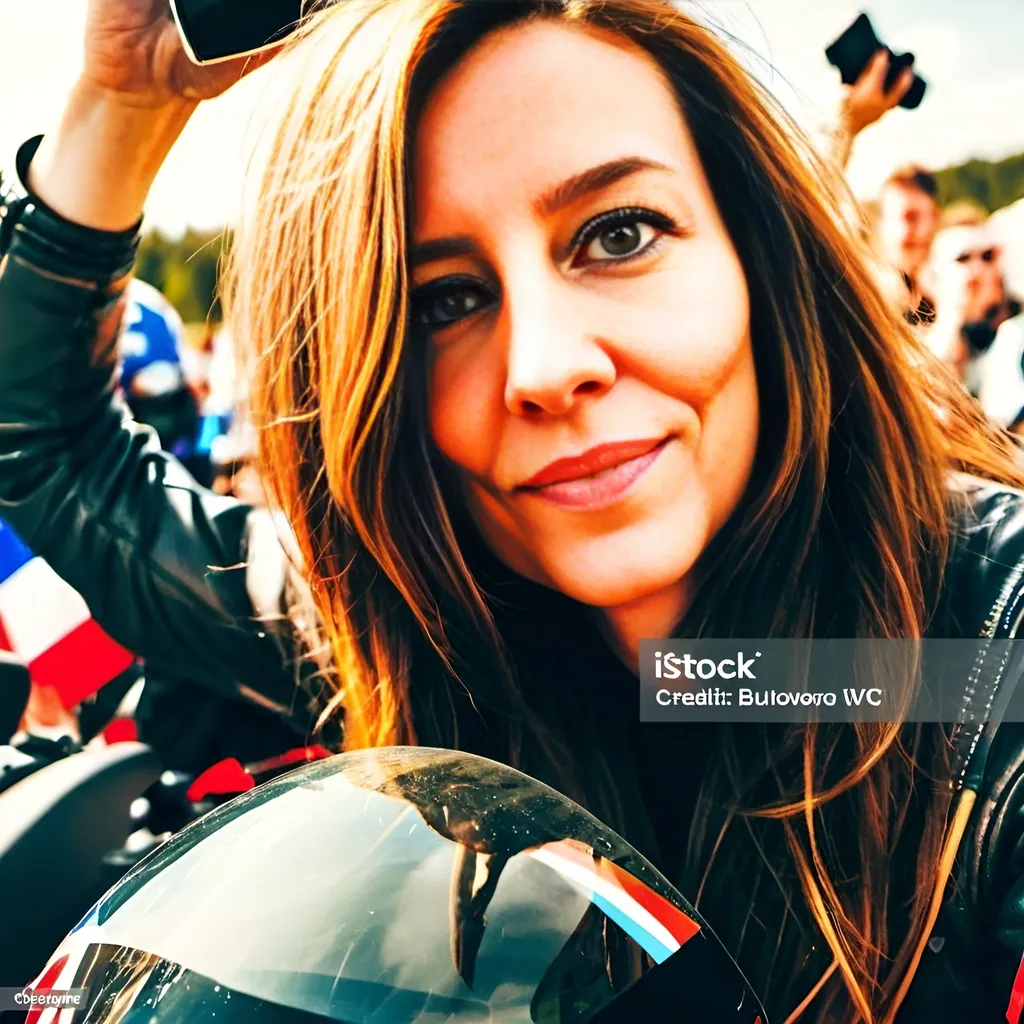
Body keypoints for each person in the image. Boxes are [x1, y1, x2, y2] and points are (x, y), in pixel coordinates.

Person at [4, 1, 1024, 1020]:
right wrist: (122, 104)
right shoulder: (406, 619)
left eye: (619, 234)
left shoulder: (992, 653)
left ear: (762, 255)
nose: (544, 367)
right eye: (443, 300)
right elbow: (43, 448)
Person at [874, 164, 941, 325]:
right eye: (893, 218)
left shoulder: (956, 286)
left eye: (914, 217)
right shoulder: (870, 299)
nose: (905, 233)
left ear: (936, 218)